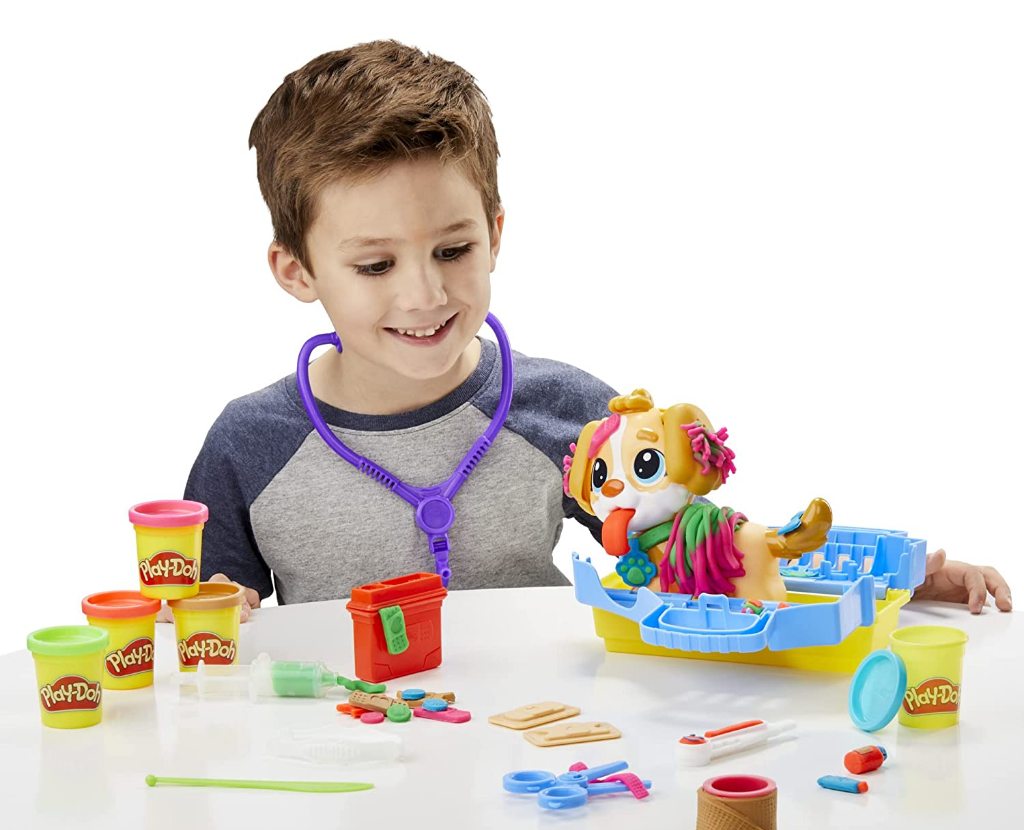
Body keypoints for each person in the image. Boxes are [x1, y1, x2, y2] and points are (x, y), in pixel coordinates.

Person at [179, 40, 1011, 623]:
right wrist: (200, 615)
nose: (425, 293)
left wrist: (884, 591)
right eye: (375, 265)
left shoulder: (569, 413)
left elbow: (705, 556)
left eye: (454, 250)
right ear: (296, 270)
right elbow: (195, 626)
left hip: (538, 759)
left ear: (494, 233)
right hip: (346, 768)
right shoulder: (251, 443)